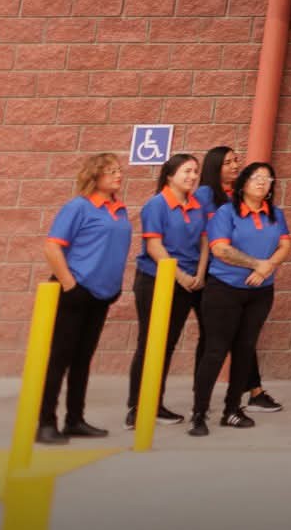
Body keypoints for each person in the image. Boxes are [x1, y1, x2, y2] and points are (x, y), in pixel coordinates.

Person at [37, 152, 133, 444]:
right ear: (94, 175)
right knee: (60, 359)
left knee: (82, 359)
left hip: (100, 296)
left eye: (118, 170)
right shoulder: (78, 207)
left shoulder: (119, 210)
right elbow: (52, 247)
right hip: (74, 293)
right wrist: (70, 285)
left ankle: (75, 419)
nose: (118, 175)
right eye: (110, 171)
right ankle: (45, 423)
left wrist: (113, 287)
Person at [191, 161, 289, 436]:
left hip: (261, 292)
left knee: (245, 349)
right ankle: (199, 412)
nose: (262, 182)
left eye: (268, 178)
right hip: (225, 289)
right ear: (243, 183)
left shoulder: (276, 214)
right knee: (215, 351)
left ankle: (232, 409)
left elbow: (285, 245)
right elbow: (220, 249)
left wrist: (266, 268)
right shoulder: (226, 212)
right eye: (256, 177)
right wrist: (257, 264)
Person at [126, 152, 207, 427]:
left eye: (195, 171)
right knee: (150, 343)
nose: (192, 176)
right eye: (186, 171)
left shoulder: (196, 205)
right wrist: (181, 276)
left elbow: (204, 242)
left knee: (167, 345)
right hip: (156, 281)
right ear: (170, 175)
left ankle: (155, 402)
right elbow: (154, 246)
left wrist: (198, 274)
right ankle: (137, 407)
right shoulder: (157, 205)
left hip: (188, 282)